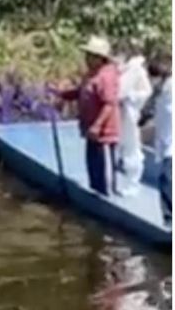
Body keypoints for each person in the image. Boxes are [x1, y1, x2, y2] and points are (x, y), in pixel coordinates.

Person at [55, 35, 120, 196]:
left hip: (103, 134)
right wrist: (63, 95)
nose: (87, 59)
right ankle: (95, 195)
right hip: (91, 132)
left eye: (90, 56)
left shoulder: (106, 77)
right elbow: (82, 92)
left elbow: (109, 104)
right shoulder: (91, 75)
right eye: (87, 55)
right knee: (93, 168)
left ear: (100, 58)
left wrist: (97, 125)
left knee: (104, 173)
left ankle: (107, 200)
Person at [115, 44, 153, 196]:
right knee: (116, 146)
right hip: (116, 111)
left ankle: (132, 183)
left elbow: (147, 91)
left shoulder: (137, 70)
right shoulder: (120, 69)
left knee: (131, 147)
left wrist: (131, 97)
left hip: (129, 113)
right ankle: (113, 179)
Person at [148, 50, 171, 225]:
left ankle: (170, 218)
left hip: (171, 145)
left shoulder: (170, 88)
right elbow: (150, 110)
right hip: (165, 143)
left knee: (166, 179)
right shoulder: (159, 91)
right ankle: (168, 218)